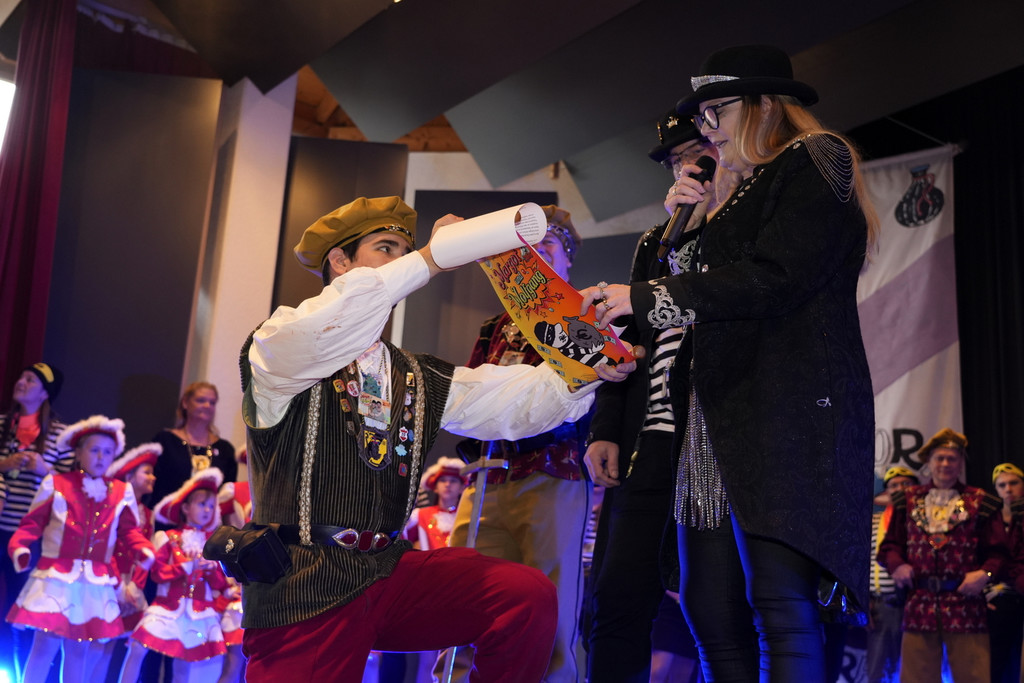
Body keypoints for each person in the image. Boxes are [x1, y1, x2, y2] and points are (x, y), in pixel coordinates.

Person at [238, 195, 635, 682]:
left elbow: (517, 402)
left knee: (522, 595)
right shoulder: (278, 343)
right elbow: (330, 323)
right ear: (339, 261)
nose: (401, 261)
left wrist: (590, 367)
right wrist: (429, 257)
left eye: (404, 252)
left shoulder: (414, 373)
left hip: (387, 572)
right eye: (386, 249)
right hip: (303, 584)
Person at [581, 44, 879, 680]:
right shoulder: (729, 199)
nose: (707, 127)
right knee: (710, 610)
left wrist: (643, 295)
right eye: (703, 115)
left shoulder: (814, 156)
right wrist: (689, 224)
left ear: (765, 104)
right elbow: (699, 299)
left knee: (779, 604)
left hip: (783, 413)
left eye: (717, 110)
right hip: (713, 422)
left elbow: (776, 276)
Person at [584, 110, 730, 682]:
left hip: (714, 447)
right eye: (675, 162)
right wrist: (605, 430)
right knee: (616, 598)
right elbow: (625, 344)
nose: (685, 169)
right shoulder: (656, 243)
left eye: (696, 154)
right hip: (648, 444)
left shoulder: (743, 232)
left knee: (715, 607)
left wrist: (707, 224)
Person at [441, 204, 592, 683]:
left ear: (567, 261)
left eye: (549, 246)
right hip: (487, 477)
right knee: (462, 590)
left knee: (551, 595)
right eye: (529, 247)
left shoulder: (584, 315)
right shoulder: (494, 326)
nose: (538, 254)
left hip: (552, 472)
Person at [6, 415, 155, 683]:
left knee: (79, 650)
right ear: (78, 453)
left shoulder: (121, 492)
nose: (100, 457)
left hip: (94, 583)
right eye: (94, 450)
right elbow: (32, 523)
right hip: (56, 578)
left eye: (107, 452)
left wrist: (142, 549)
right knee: (44, 645)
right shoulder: (56, 484)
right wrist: (20, 547)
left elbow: (129, 531)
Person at [878, 428, 1005, 683]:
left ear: (961, 463)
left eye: (952, 458)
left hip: (966, 603)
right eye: (940, 458)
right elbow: (889, 546)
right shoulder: (906, 500)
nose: (945, 464)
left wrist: (985, 573)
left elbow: (999, 552)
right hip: (919, 603)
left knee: (974, 676)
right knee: (916, 678)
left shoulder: (981, 502)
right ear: (929, 462)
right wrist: (897, 565)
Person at [0, 362, 71, 673]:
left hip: (30, 537)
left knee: (20, 611)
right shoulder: (2, 424)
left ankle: (20, 675)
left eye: (31, 379)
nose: (21, 381)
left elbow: (72, 488)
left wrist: (46, 471)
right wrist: (5, 464)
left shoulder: (61, 435)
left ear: (45, 393)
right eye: (22, 376)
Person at [94, 442, 161, 681]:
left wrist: (135, 586)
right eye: (147, 472)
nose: (153, 477)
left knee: (135, 644)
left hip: (133, 586)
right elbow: (107, 548)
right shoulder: (113, 506)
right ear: (129, 476)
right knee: (101, 644)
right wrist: (119, 585)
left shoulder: (148, 514)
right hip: (109, 581)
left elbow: (146, 554)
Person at [867, 465, 919, 683]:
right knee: (876, 666)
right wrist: (864, 599)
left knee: (912, 665)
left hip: (910, 602)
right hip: (879, 603)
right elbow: (864, 562)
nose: (900, 489)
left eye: (906, 484)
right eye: (894, 485)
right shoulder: (873, 522)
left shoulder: (922, 520)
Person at [150, 381, 236, 506]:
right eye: (201, 400)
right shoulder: (165, 441)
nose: (207, 405)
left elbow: (227, 496)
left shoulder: (225, 450)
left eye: (212, 402)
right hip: (166, 514)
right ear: (185, 403)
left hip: (209, 517)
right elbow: (151, 484)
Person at [987, 463, 1024, 683]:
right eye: (1002, 485)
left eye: (1013, 483)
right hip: (1000, 598)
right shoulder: (989, 519)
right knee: (998, 663)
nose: (1008, 489)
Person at [405, 456, 466, 550]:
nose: (447, 484)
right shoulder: (420, 515)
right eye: (443, 480)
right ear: (435, 487)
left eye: (453, 481)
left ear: (462, 488)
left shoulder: (468, 517)